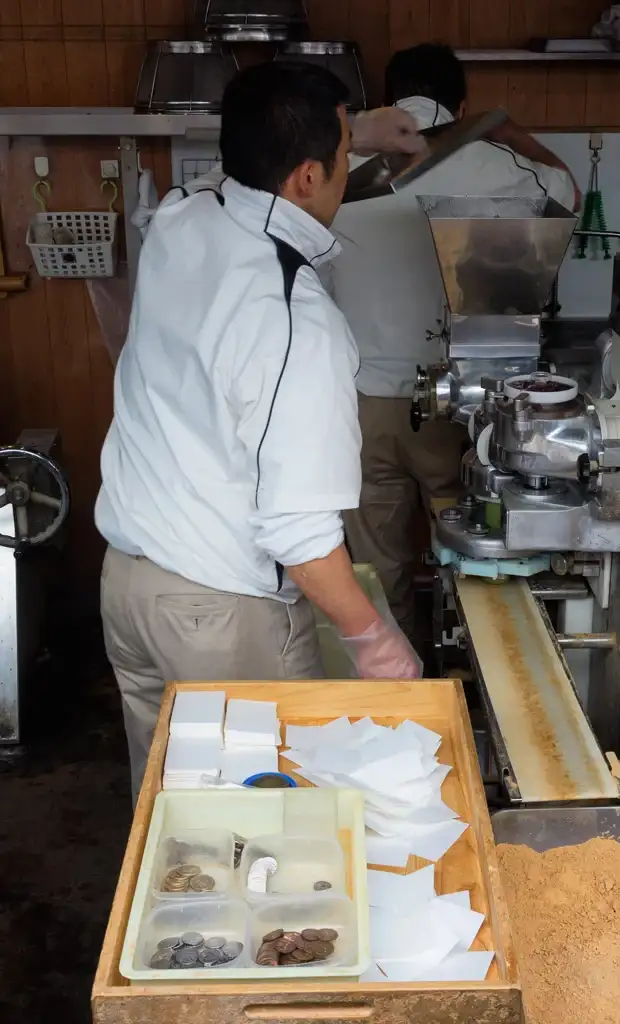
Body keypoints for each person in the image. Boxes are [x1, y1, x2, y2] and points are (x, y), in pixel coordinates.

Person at [96, 62, 421, 800]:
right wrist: (375, 643)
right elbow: (301, 535)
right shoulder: (297, 320)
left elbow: (230, 174)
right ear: (308, 176)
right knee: (265, 830)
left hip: (131, 588)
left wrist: (357, 129)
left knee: (173, 806)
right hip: (220, 613)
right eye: (342, 152)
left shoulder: (184, 215)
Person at [330, 43, 580, 643]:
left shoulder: (343, 172)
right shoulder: (497, 161)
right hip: (462, 405)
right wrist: (507, 131)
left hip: (360, 404)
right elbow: (565, 195)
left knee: (376, 570)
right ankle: (472, 674)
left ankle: (395, 694)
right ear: (462, 104)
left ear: (388, 101)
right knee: (475, 563)